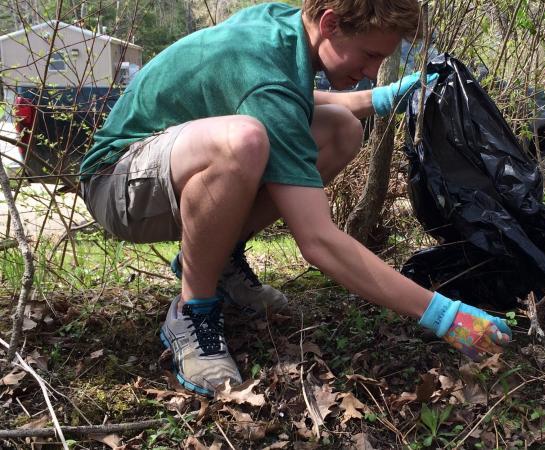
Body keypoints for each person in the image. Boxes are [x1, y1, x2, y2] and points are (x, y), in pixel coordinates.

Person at [79, 0, 512, 397]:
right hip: (119, 182)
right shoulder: (263, 69)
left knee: (340, 128)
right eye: (370, 56)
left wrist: (378, 99)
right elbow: (318, 241)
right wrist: (445, 316)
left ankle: (221, 263)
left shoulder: (284, 27)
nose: (371, 70)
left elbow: (286, 97)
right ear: (330, 23)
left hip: (168, 172)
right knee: (243, 141)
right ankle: (193, 312)